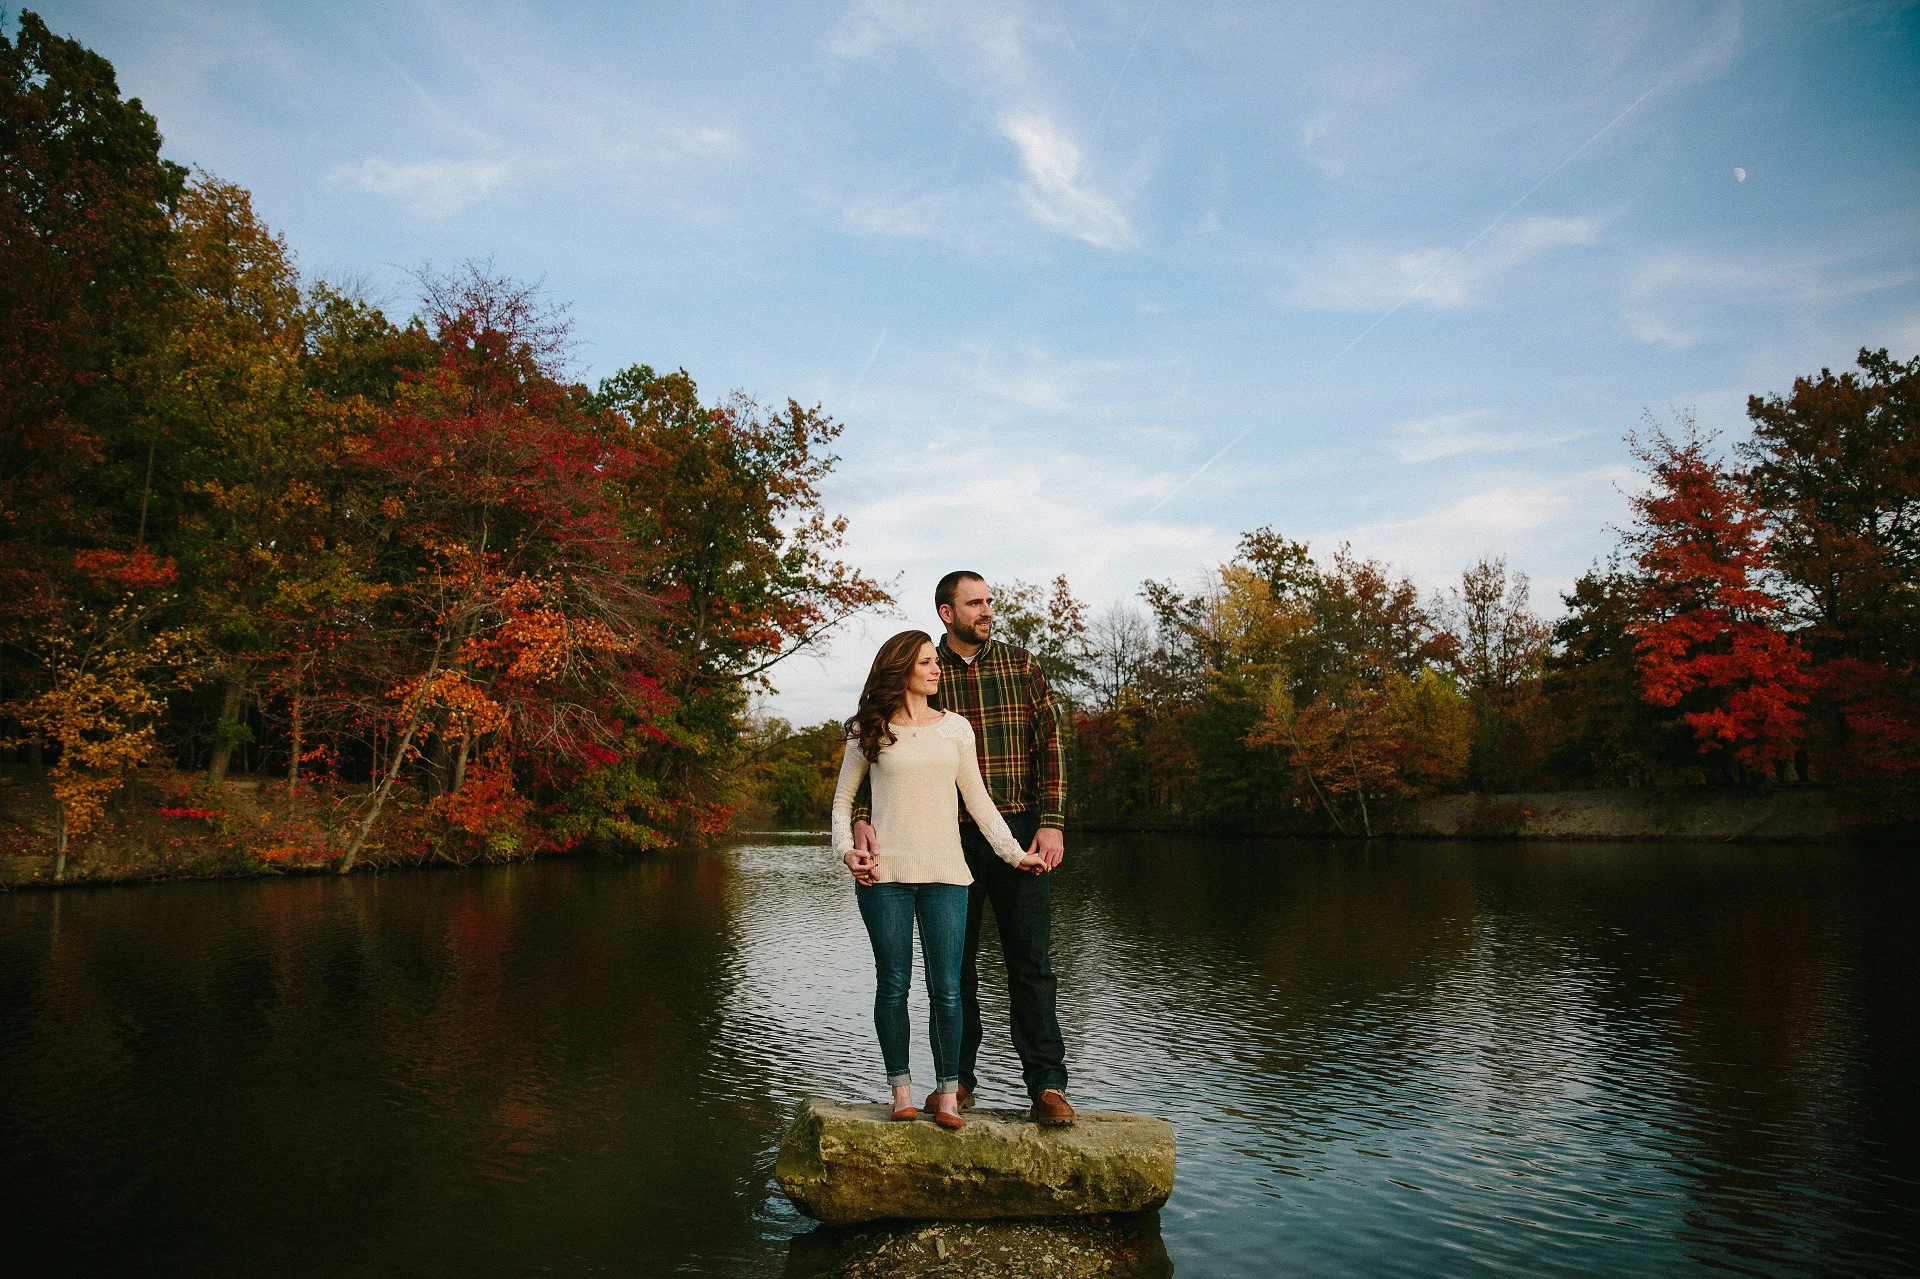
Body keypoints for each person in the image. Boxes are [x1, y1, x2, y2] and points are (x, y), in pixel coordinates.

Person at [847, 572, 1076, 1127]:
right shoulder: (921, 669)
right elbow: (876, 758)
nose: (987, 611)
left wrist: (1051, 823)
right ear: (946, 613)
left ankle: (1046, 1086)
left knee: (1031, 962)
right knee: (955, 969)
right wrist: (860, 820)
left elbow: (1051, 746)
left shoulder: (1021, 666)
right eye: (975, 603)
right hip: (941, 838)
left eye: (989, 602)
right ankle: (960, 1083)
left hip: (1016, 828)